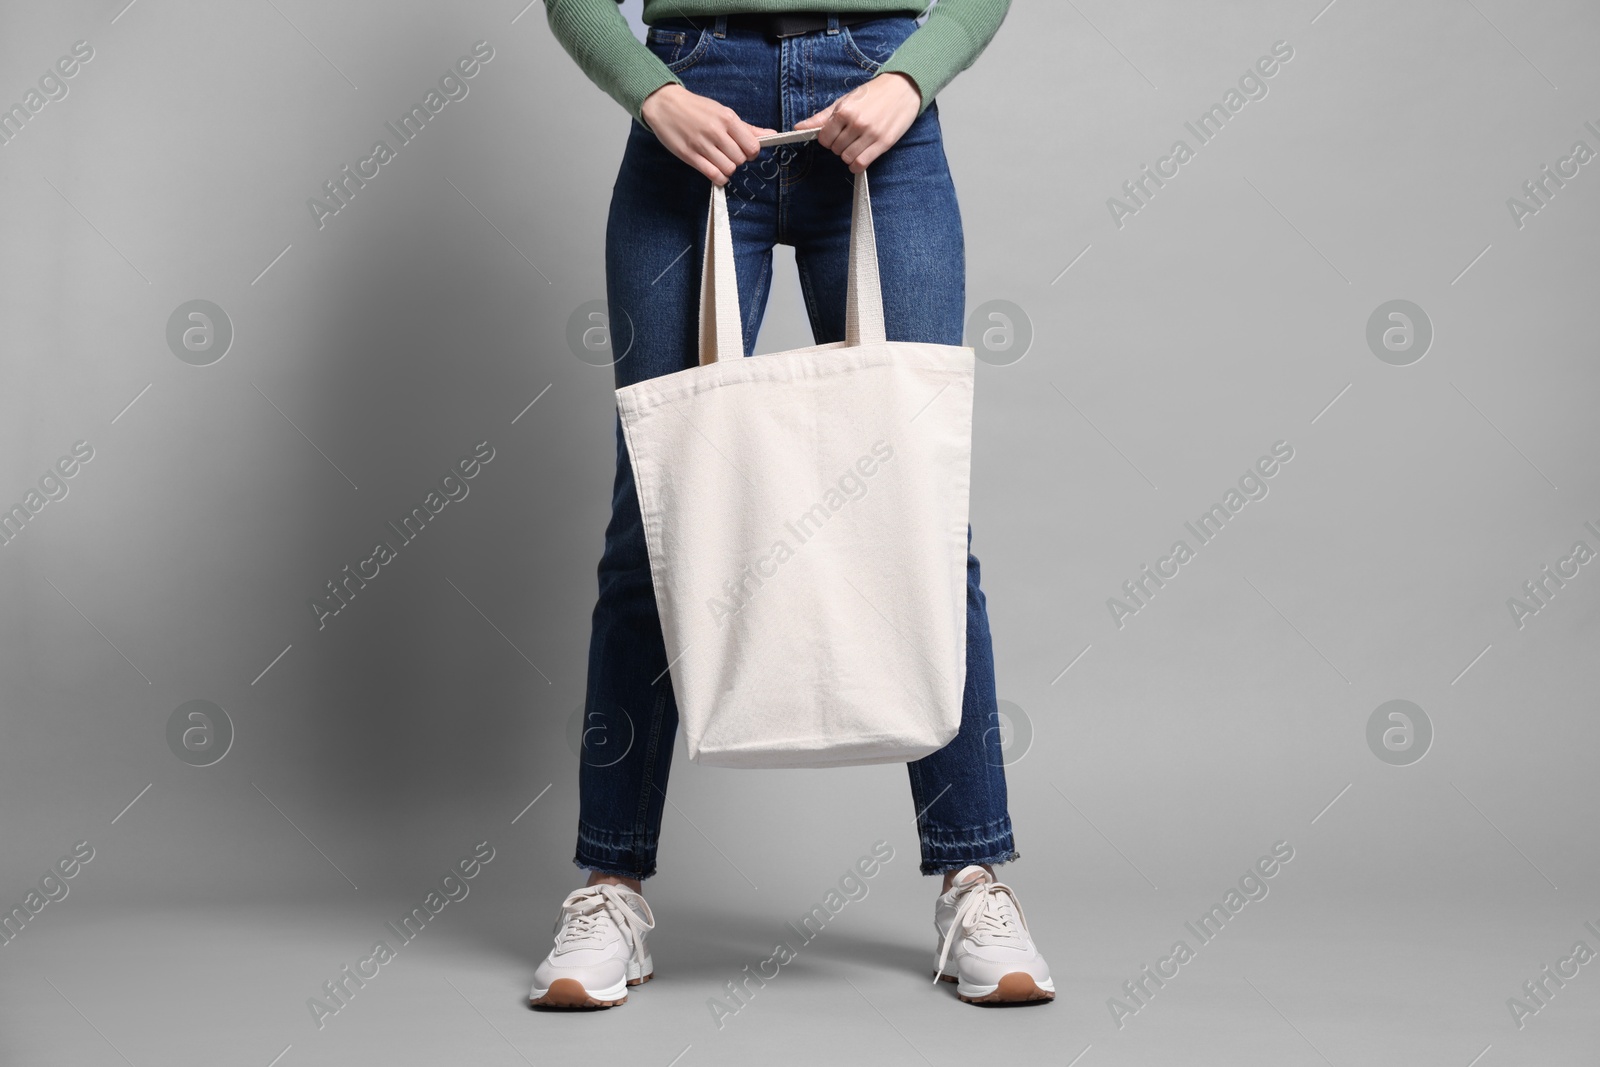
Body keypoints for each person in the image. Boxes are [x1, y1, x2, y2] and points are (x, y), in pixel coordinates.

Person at [534, 0, 1051, 1009]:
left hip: (878, 99)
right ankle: (609, 890)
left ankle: (974, 877)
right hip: (692, 96)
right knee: (653, 517)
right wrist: (651, 93)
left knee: (920, 517)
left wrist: (910, 78)